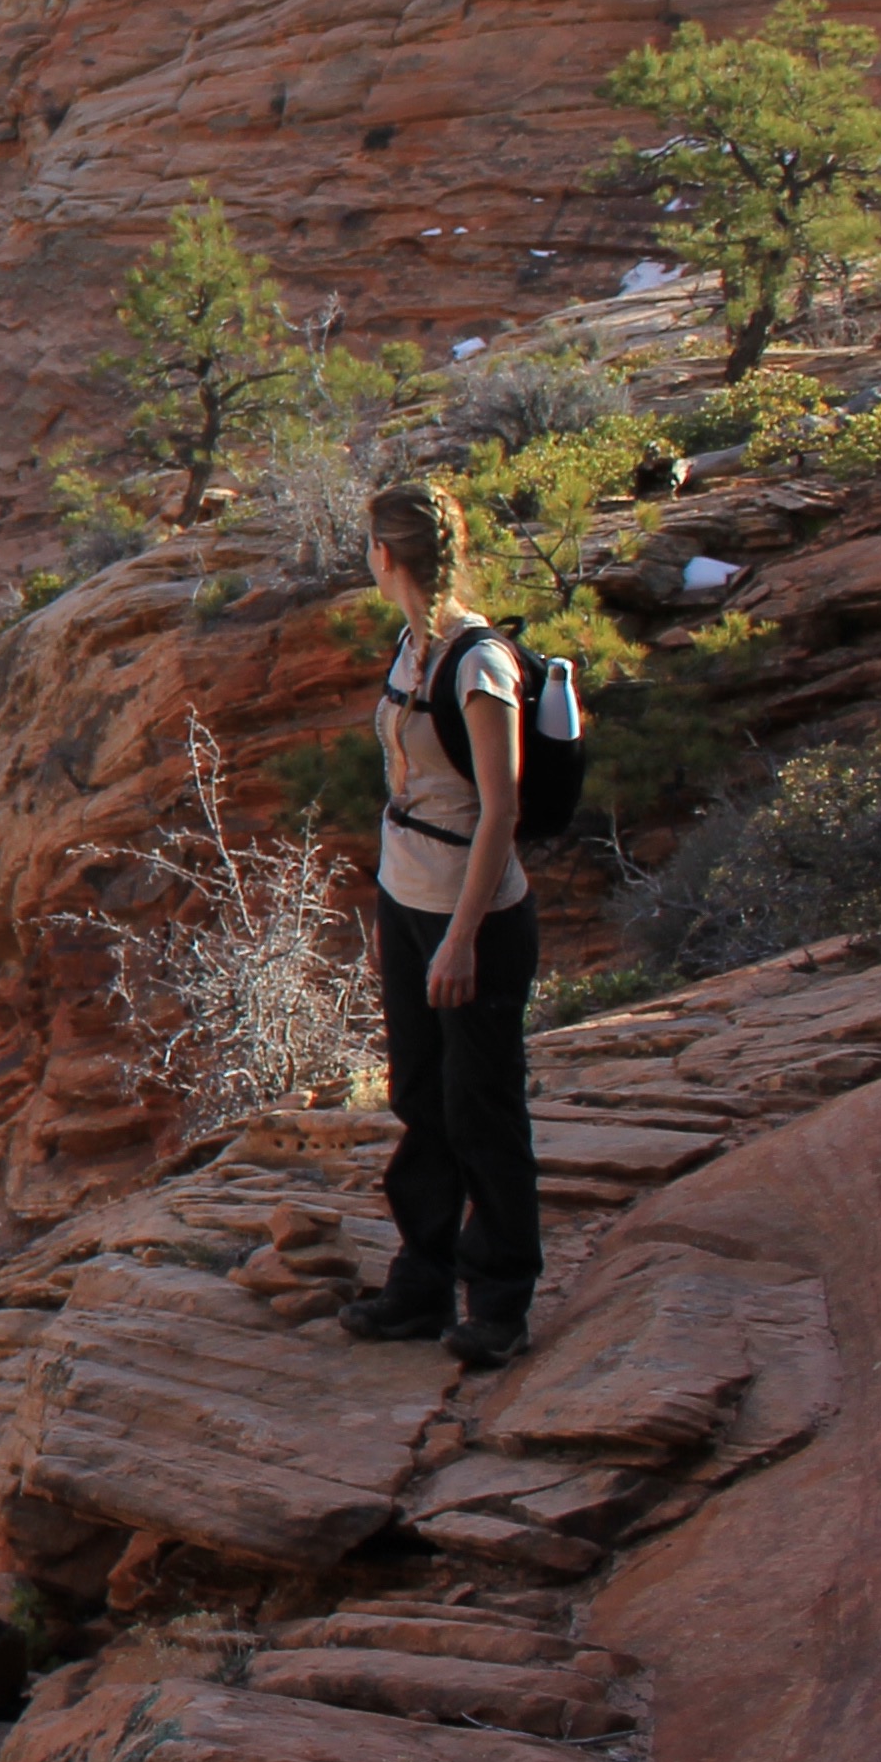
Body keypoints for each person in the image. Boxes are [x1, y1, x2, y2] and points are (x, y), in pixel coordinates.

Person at [337, 481, 541, 1366]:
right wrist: (400, 908)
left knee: (480, 1107)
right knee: (421, 1096)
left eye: (368, 546)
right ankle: (421, 1283)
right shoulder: (411, 646)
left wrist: (460, 938)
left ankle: (498, 1300)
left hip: (474, 916)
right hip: (409, 898)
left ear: (388, 555)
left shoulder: (478, 663)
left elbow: (501, 809)